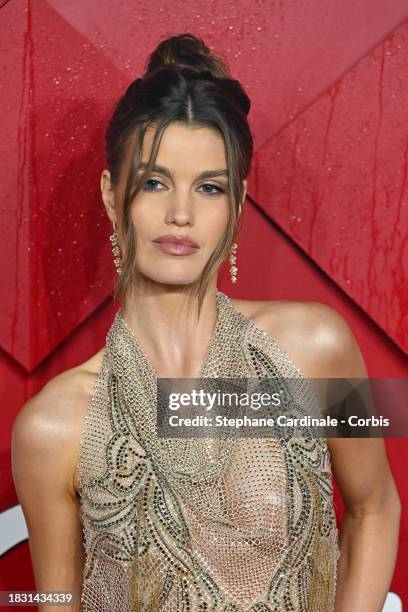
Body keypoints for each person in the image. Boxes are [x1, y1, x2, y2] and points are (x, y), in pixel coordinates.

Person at [11, 33, 400, 612]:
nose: (181, 214)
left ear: (238, 204)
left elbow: (377, 507)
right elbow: (55, 599)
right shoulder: (51, 427)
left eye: (209, 187)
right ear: (111, 193)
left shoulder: (319, 348)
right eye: (154, 182)